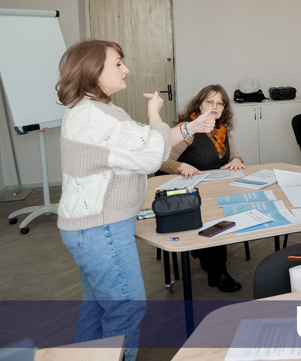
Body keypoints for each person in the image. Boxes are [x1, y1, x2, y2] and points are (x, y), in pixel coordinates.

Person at [56, 39, 213, 361]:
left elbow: (145, 144)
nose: (125, 69)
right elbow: (150, 156)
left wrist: (191, 127)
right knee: (126, 308)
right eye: (117, 63)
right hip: (101, 228)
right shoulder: (95, 117)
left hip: (93, 226)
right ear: (92, 70)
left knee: (97, 306)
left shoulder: (98, 110)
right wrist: (155, 114)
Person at [160, 84, 245, 292]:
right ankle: (218, 272)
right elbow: (162, 161)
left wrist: (236, 161)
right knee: (216, 214)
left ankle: (205, 254)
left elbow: (235, 155)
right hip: (187, 194)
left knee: (225, 207)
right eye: (210, 102)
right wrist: (181, 166)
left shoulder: (222, 130)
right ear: (199, 105)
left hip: (213, 189)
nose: (215, 107)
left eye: (220, 104)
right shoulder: (188, 130)